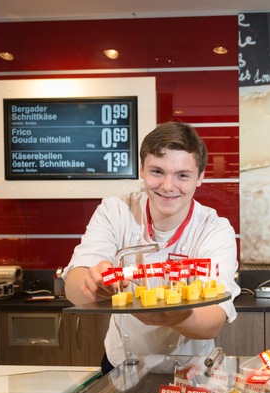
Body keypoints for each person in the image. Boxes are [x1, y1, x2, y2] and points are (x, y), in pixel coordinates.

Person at [64, 121, 240, 374]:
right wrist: (91, 286)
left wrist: (178, 316)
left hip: (191, 372)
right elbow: (73, 286)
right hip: (122, 366)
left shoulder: (214, 229)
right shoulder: (115, 211)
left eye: (182, 175)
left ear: (200, 177)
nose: (168, 186)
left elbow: (214, 320)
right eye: (157, 171)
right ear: (142, 171)